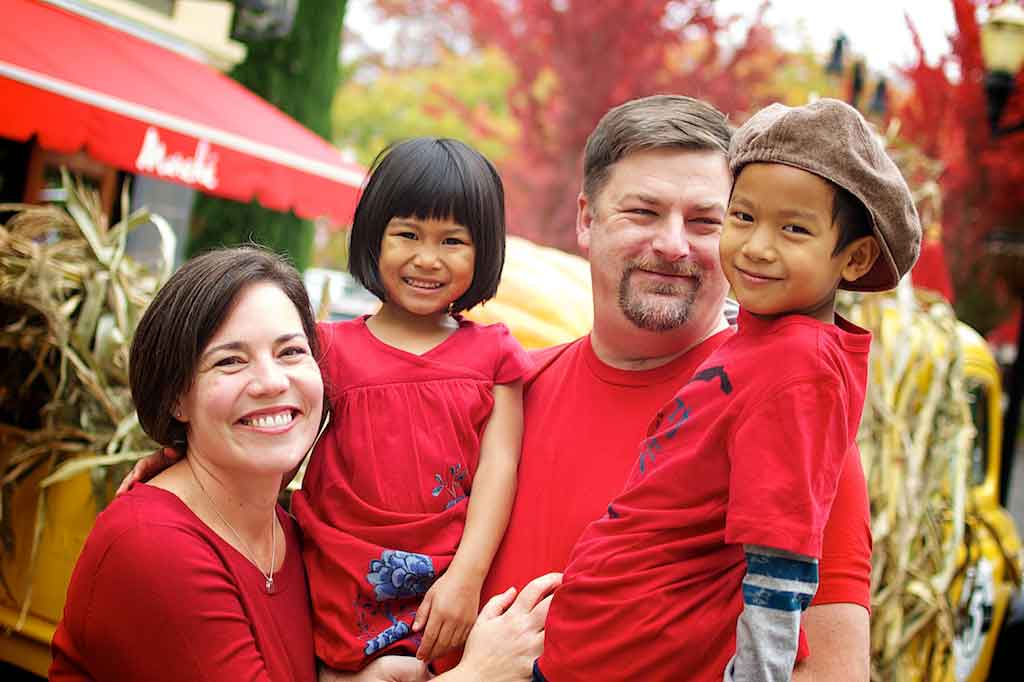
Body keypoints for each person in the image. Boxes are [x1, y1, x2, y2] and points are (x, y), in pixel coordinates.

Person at [469, 95, 878, 681]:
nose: (673, 244)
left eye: (707, 221)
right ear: (586, 219)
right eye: (643, 211)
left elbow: (829, 673)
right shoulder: (507, 393)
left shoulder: (791, 411)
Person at [52, 246, 555, 682]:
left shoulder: (292, 536)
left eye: (291, 351)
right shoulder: (153, 546)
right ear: (176, 397)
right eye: (230, 360)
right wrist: (477, 675)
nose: (272, 381)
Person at [290, 137, 531, 673]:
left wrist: (466, 578)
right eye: (407, 234)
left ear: (484, 249)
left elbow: (500, 468)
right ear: (374, 236)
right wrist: (187, 465)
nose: (428, 258)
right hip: (336, 579)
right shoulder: (326, 348)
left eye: (453, 240)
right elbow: (275, 440)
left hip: (447, 584)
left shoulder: (494, 354)